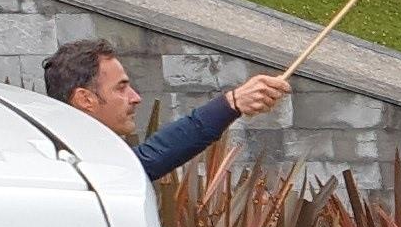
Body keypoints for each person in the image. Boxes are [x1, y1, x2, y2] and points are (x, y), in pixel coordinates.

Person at [42, 38, 289, 180]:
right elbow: (150, 159)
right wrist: (231, 103)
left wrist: (232, 104)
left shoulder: (65, 156)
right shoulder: (67, 171)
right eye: (121, 88)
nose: (135, 98)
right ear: (85, 99)